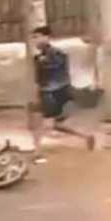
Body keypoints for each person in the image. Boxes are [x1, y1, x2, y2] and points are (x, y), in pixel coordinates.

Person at [29, 26, 72, 164]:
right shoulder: (39, 57)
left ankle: (38, 152)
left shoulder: (57, 54)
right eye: (33, 37)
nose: (35, 40)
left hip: (54, 92)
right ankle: (37, 151)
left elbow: (59, 73)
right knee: (39, 122)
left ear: (47, 37)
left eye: (38, 36)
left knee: (47, 124)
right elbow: (38, 78)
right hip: (47, 92)